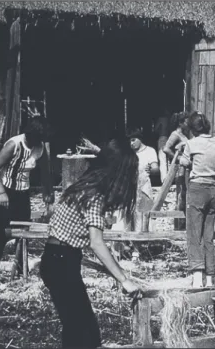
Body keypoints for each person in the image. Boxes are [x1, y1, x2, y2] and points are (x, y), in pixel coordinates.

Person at [39, 138, 142, 349]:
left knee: (80, 328)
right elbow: (97, 244)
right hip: (60, 261)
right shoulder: (94, 195)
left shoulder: (86, 185)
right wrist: (124, 279)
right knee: (81, 331)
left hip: (59, 257)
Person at [0, 116, 54, 279]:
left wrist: (48, 194)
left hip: (22, 192)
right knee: (2, 234)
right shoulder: (15, 144)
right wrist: (1, 193)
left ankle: (19, 271)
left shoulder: (40, 148)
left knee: (23, 233)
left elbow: (46, 173)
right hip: (5, 190)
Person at [179, 112, 215, 288]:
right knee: (208, 237)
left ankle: (197, 278)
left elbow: (183, 162)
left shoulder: (191, 143)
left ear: (192, 129)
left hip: (197, 189)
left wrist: (185, 153)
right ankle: (210, 278)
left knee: (194, 235)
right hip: (212, 189)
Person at [126, 129, 159, 232]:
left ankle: (144, 244)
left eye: (133, 140)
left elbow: (156, 168)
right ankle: (132, 244)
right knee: (131, 217)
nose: (131, 143)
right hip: (130, 188)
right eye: (129, 141)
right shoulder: (128, 153)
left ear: (140, 139)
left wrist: (152, 169)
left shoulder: (150, 151)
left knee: (145, 216)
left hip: (144, 188)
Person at [164, 111, 190, 230]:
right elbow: (166, 149)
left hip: (185, 169)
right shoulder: (175, 134)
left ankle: (183, 225)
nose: (188, 123)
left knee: (184, 196)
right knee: (180, 196)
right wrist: (178, 158)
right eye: (186, 121)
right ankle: (178, 227)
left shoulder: (185, 135)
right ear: (181, 123)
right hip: (179, 170)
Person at [154, 109, 172, 183]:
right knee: (168, 160)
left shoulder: (161, 119)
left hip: (162, 138)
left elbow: (156, 130)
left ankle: (164, 180)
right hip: (169, 138)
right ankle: (170, 179)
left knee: (162, 159)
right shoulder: (170, 120)